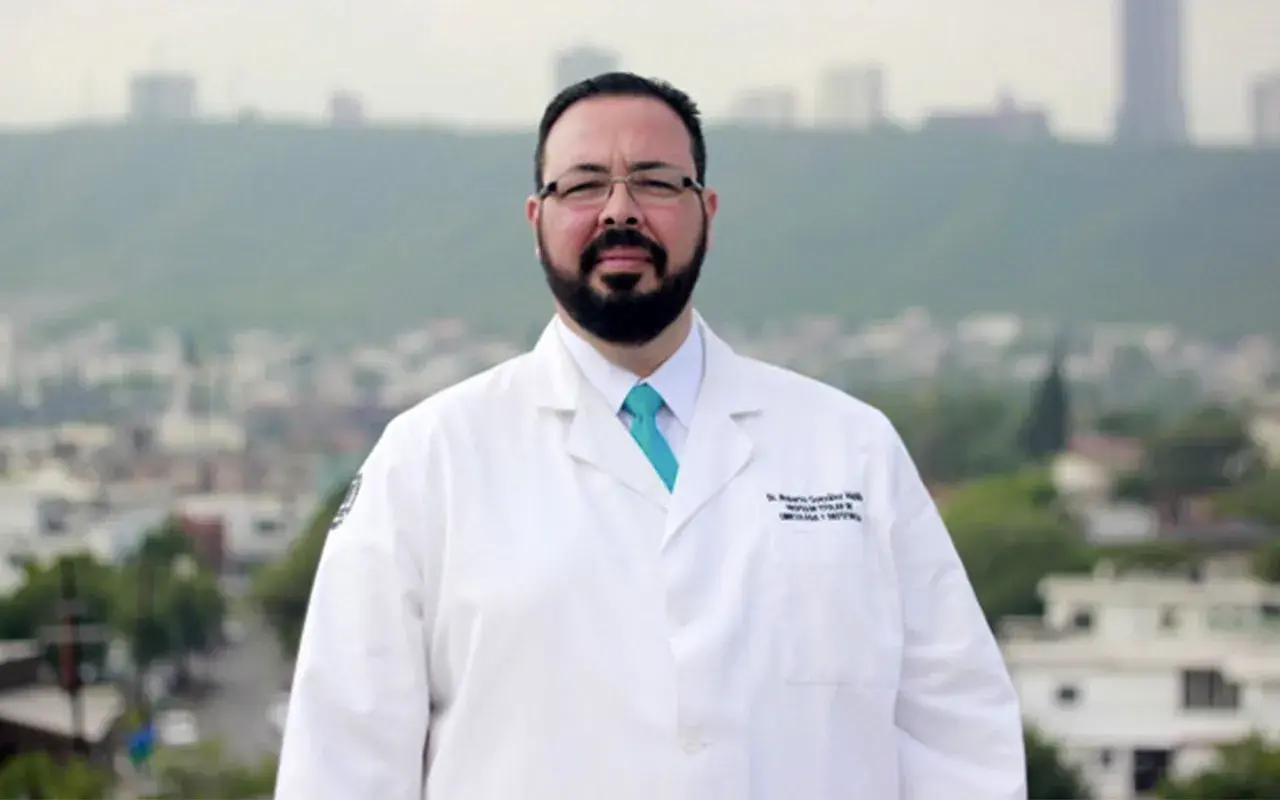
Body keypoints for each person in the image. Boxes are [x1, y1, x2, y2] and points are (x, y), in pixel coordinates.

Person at [275, 72, 1027, 800]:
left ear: (707, 213)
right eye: (583, 184)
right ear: (536, 220)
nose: (620, 210)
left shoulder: (851, 449)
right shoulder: (427, 460)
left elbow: (960, 739)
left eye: (656, 182)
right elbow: (344, 761)